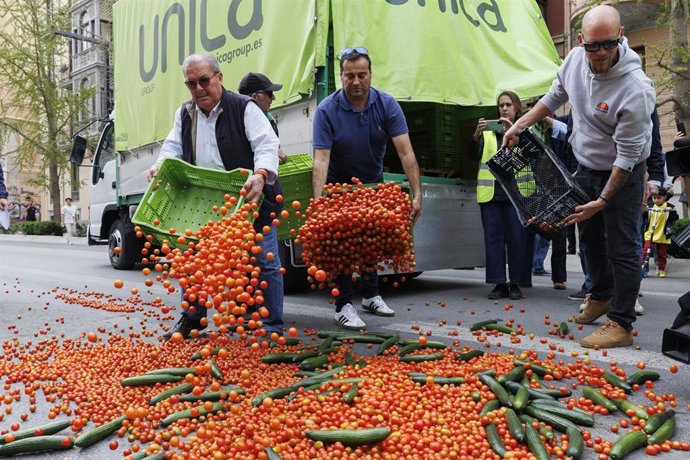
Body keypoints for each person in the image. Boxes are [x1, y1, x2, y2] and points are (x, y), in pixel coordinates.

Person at [503, 5, 656, 348]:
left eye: (607, 44)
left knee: (622, 247)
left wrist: (603, 200)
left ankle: (620, 323)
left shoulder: (636, 88)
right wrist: (520, 124)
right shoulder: (573, 60)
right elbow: (555, 95)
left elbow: (629, 155)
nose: (600, 53)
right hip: (586, 165)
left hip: (623, 173)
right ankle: (601, 296)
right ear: (581, 41)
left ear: (621, 37)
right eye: (592, 46)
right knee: (588, 239)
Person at [148, 53, 284, 340]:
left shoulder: (244, 107)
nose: (199, 89)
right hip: (207, 203)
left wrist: (260, 174)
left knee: (264, 261)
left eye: (204, 81)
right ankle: (193, 318)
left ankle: (271, 325)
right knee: (191, 259)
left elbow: (266, 144)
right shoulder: (185, 113)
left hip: (250, 197)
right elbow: (172, 147)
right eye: (192, 83)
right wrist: (159, 167)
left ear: (219, 78)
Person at [312, 46, 422, 330]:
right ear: (341, 77)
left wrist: (417, 193)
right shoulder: (327, 110)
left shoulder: (386, 105)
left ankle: (371, 294)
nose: (356, 82)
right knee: (346, 246)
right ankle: (343, 305)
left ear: (371, 75)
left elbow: (406, 152)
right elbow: (321, 159)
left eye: (362, 75)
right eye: (350, 76)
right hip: (340, 186)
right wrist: (318, 202)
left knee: (371, 240)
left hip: (373, 182)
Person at [471, 90, 531, 301]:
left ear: (517, 108)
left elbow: (534, 156)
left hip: (516, 195)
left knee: (516, 239)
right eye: (501, 105)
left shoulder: (525, 131)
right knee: (493, 240)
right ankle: (498, 283)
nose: (504, 108)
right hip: (491, 195)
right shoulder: (487, 133)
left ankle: (515, 283)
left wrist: (515, 134)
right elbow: (473, 155)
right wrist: (476, 136)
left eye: (508, 105)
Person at [238, 72, 287, 163]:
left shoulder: (269, 119)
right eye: (269, 93)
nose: (273, 98)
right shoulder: (236, 123)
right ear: (254, 96)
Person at [642, 189, 678, 277]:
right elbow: (644, 216)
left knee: (661, 253)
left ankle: (661, 269)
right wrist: (645, 210)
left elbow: (675, 217)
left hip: (662, 234)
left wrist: (670, 211)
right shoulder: (650, 206)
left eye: (659, 198)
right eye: (654, 198)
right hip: (650, 233)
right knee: (645, 250)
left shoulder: (669, 206)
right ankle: (642, 266)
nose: (656, 200)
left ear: (665, 197)